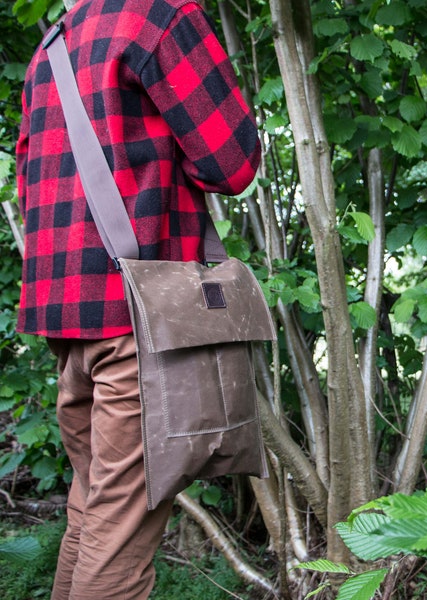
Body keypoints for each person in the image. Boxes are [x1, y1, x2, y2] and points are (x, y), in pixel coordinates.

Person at [15, 0, 261, 597]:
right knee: (118, 547)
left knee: (94, 513)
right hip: (140, 322)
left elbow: (30, 179)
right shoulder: (159, 16)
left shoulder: (50, 50)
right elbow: (231, 164)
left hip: (71, 321)